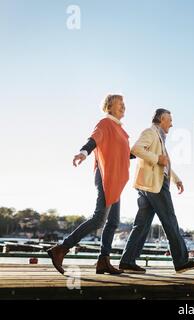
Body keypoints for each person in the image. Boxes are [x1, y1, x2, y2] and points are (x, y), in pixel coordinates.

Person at [47, 94, 131, 275]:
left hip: (116, 179)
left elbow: (124, 155)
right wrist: (83, 153)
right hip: (105, 176)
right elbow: (94, 140)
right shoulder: (105, 123)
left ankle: (104, 261)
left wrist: (143, 152)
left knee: (113, 222)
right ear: (109, 107)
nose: (123, 106)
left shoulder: (121, 131)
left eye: (124, 103)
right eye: (119, 103)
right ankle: (61, 248)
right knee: (99, 219)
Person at [119, 108, 194, 273]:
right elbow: (136, 149)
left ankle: (127, 261)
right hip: (155, 186)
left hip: (147, 185)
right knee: (170, 220)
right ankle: (181, 261)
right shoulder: (150, 132)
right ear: (162, 119)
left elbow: (164, 164)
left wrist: (176, 179)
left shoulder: (159, 138)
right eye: (169, 120)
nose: (172, 123)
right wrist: (157, 159)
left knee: (141, 225)